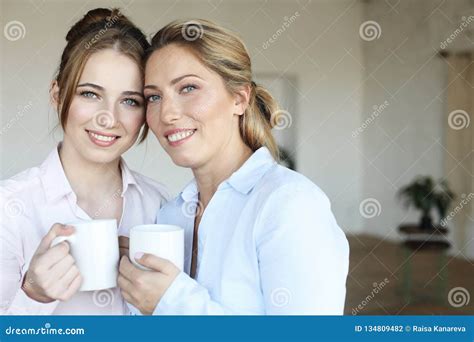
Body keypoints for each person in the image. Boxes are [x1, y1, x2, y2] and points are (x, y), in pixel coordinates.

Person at [118, 19, 349, 315]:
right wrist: (136, 286)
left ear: (239, 98)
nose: (167, 114)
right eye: (154, 97)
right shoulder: (172, 213)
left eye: (188, 88)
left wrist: (170, 302)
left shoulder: (290, 204)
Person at [0, 8, 168, 315]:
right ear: (58, 95)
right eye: (90, 94)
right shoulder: (9, 208)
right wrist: (32, 293)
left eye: (129, 101)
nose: (108, 117)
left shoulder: (159, 208)